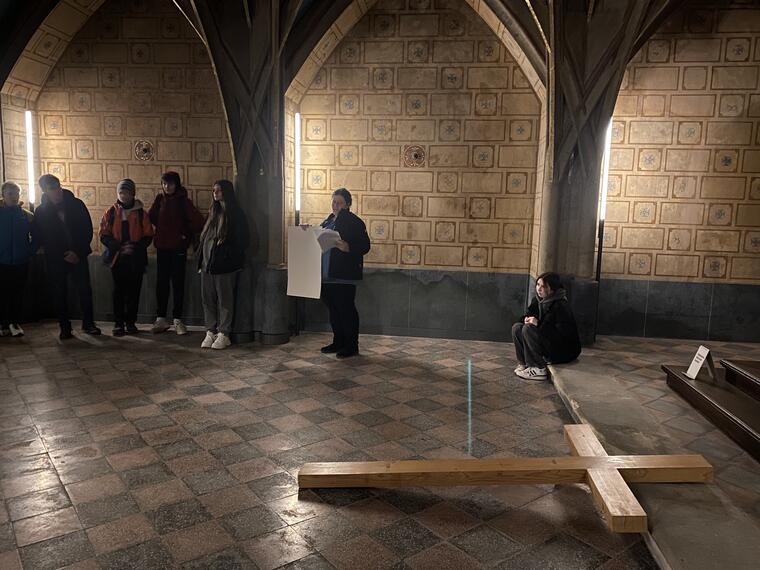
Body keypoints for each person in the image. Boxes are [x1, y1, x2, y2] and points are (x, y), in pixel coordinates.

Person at [34, 174, 101, 339]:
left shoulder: (76, 204)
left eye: (58, 187)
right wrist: (62, 254)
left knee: (84, 290)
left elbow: (86, 229)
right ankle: (64, 327)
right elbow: (42, 237)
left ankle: (89, 323)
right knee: (59, 292)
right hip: (57, 259)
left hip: (78, 255)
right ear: (45, 191)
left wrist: (76, 252)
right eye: (52, 189)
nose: (57, 192)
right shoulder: (41, 212)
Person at [148, 171, 204, 335]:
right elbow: (151, 216)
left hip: (178, 249)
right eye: (164, 183)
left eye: (170, 184)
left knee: (178, 283)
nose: (167, 187)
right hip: (162, 248)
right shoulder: (159, 199)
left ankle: (178, 319)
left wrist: (184, 235)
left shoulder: (183, 201)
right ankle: (161, 318)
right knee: (162, 283)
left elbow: (198, 222)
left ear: (176, 184)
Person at [317, 188, 370, 358]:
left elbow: (365, 246)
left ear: (347, 204)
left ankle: (351, 345)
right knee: (334, 310)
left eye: (339, 202)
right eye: (334, 202)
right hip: (327, 276)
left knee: (346, 310)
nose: (335, 205)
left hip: (343, 276)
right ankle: (338, 341)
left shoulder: (354, 221)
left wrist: (349, 247)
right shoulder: (328, 221)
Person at [197, 180, 249, 350]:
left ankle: (224, 333)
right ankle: (210, 330)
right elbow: (205, 238)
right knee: (208, 300)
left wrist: (227, 255)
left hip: (225, 267)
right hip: (207, 265)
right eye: (214, 190)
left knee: (225, 301)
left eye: (219, 190)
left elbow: (242, 241)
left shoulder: (236, 214)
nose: (216, 193)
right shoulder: (214, 212)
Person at [99, 179, 154, 337]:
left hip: (136, 258)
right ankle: (118, 323)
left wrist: (134, 248)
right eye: (121, 193)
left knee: (134, 292)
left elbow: (148, 235)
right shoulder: (111, 212)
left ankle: (130, 322)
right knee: (118, 292)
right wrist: (119, 247)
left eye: (127, 192)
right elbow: (104, 235)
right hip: (118, 258)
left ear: (133, 193)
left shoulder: (141, 213)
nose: (124, 196)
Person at [511, 272, 581, 380]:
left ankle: (538, 368)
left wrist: (537, 324)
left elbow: (561, 335)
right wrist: (525, 319)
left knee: (528, 329)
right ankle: (524, 363)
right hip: (548, 343)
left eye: (544, 286)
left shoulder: (560, 305)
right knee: (517, 327)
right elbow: (528, 315)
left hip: (563, 350)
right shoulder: (538, 300)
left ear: (552, 289)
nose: (539, 289)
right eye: (538, 285)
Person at [0, 182, 36, 337]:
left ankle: (14, 323)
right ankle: (1, 324)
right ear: (3, 195)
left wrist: (29, 251)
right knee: (1, 293)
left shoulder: (27, 215)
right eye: (10, 194)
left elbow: (36, 236)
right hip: (1, 261)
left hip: (21, 261)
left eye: (16, 193)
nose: (14, 197)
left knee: (17, 293)